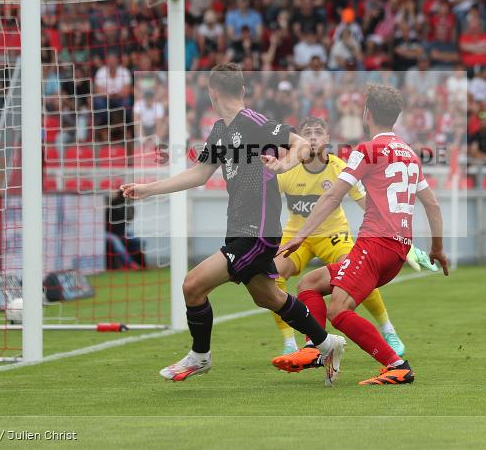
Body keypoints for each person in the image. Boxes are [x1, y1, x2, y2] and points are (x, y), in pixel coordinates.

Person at [121, 63, 347, 383]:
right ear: (241, 88)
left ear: (211, 92)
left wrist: (283, 164)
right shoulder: (219, 131)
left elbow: (300, 144)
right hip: (239, 228)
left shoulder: (253, 122)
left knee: (192, 285)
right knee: (268, 297)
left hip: (257, 231)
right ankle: (328, 344)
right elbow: (199, 173)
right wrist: (148, 190)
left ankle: (200, 356)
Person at [272, 84, 449, 386]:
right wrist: (437, 249)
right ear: (396, 116)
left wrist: (301, 235)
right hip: (396, 248)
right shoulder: (409, 153)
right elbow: (431, 204)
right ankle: (315, 348)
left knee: (338, 309)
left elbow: (331, 198)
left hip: (374, 244)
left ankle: (397, 365)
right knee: (309, 284)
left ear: (367, 114)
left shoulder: (366, 151)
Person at [269, 116, 409, 356]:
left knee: (356, 270)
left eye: (318, 132)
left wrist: (392, 228)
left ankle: (388, 329)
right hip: (297, 236)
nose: (313, 136)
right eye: (307, 132)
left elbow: (366, 202)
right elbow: (267, 204)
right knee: (272, 276)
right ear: (299, 139)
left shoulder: (340, 168)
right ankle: (290, 342)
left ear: (327, 138)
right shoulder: (286, 171)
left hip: (333, 235)